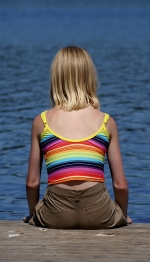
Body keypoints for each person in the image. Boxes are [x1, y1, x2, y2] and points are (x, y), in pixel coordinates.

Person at [24, 46, 132, 229]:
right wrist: (122, 215)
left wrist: (33, 214)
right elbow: (120, 185)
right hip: (100, 213)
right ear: (89, 78)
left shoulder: (42, 122)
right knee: (112, 209)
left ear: (56, 79)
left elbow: (32, 182)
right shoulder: (106, 122)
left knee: (42, 209)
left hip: (55, 215)